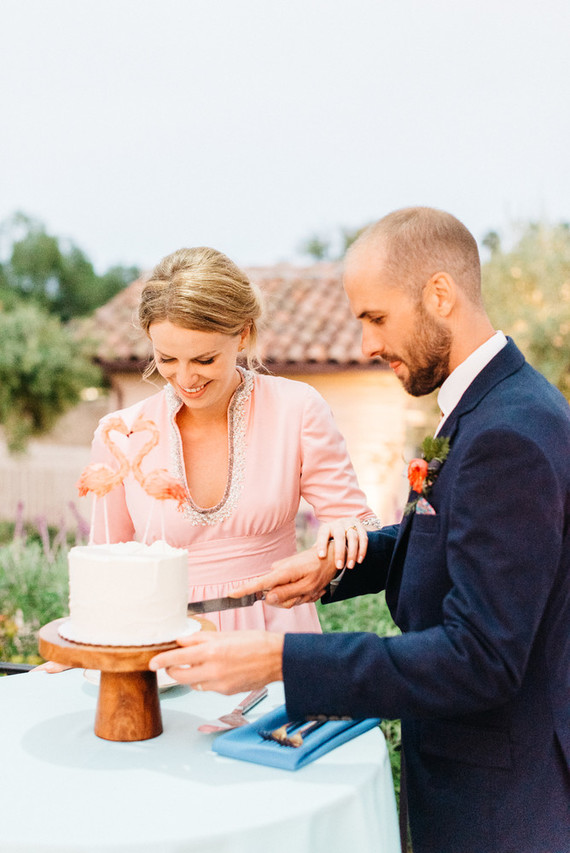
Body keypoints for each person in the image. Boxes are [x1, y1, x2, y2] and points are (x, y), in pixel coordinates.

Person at [150, 209, 570, 853]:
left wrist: (279, 659)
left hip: (503, 803)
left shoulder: (506, 434)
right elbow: (461, 537)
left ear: (438, 295)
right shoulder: (493, 407)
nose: (367, 345)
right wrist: (339, 567)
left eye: (375, 318)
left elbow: (481, 658)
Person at [81, 245, 378, 633]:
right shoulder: (121, 434)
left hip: (276, 642)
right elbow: (107, 565)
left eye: (204, 360)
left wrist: (341, 539)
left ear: (243, 335)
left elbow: (357, 521)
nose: (186, 379)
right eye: (167, 359)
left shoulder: (298, 408)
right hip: (166, 645)